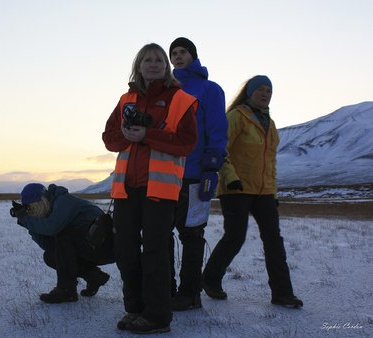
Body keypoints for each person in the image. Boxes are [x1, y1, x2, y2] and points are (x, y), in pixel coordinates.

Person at [103, 43, 198, 334]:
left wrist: (148, 135)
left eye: (159, 60)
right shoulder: (126, 99)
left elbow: (186, 143)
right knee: (127, 252)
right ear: (139, 66)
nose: (154, 64)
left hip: (160, 189)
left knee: (155, 253)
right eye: (147, 60)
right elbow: (109, 138)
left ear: (166, 67)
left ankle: (157, 316)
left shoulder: (180, 99)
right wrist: (129, 136)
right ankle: (135, 310)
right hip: (126, 188)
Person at [201, 75, 303, 308]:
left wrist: (273, 193)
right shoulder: (237, 116)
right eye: (260, 90)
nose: (265, 94)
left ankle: (282, 293)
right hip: (236, 188)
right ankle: (210, 278)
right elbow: (220, 149)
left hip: (263, 191)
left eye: (269, 90)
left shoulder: (271, 124)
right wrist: (230, 177)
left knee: (274, 241)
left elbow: (270, 163)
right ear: (249, 92)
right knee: (235, 237)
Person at [168, 37, 228, 311]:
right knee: (160, 234)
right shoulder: (166, 89)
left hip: (194, 175)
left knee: (192, 235)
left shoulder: (209, 89)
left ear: (193, 56)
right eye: (174, 54)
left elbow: (216, 131)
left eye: (183, 52)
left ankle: (190, 293)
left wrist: (211, 168)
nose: (178, 57)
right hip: (165, 175)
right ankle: (165, 289)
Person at [10, 183, 115, 303]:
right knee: (51, 255)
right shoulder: (53, 207)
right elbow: (50, 246)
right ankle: (94, 276)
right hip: (91, 248)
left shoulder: (64, 201)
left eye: (32, 208)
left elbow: (52, 228)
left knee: (65, 236)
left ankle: (66, 290)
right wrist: (29, 225)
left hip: (106, 247)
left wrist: (26, 219)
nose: (31, 212)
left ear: (40, 201)